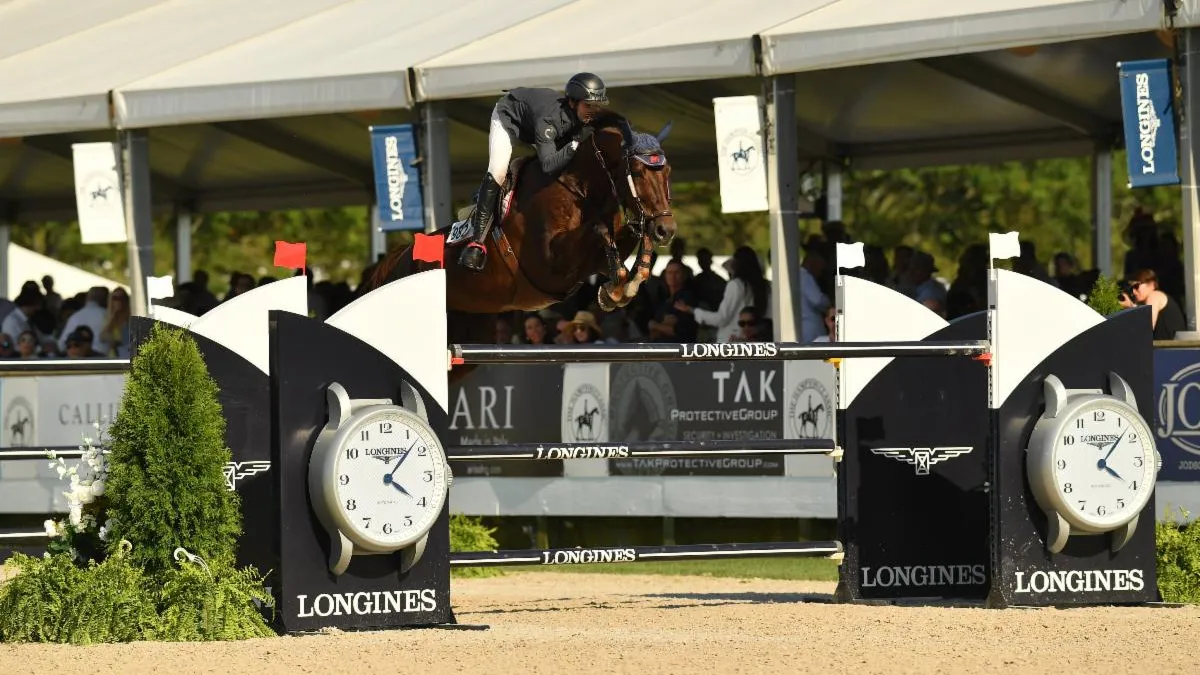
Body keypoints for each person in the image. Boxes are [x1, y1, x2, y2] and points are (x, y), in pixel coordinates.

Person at [457, 73, 610, 272]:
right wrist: (574, 143)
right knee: (498, 171)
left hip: (537, 124)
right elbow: (548, 165)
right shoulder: (549, 120)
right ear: (572, 103)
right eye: (588, 106)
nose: (593, 111)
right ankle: (476, 244)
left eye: (596, 106)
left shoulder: (581, 116)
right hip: (509, 119)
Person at [1120, 268, 1187, 340]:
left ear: (1152, 284)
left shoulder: (1154, 296)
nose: (1133, 291)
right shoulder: (1152, 299)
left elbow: (1145, 329)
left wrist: (1130, 306)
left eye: (1136, 286)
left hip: (1169, 346)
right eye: (1131, 288)